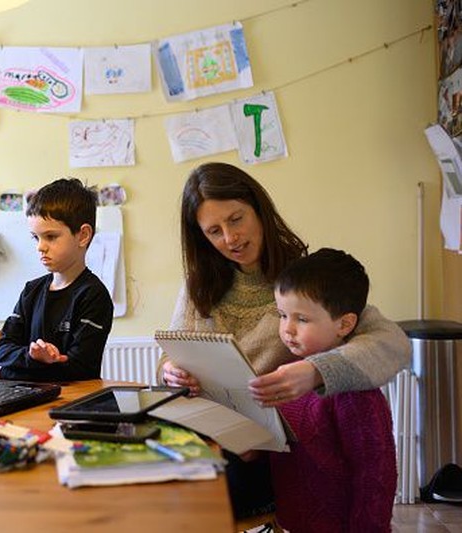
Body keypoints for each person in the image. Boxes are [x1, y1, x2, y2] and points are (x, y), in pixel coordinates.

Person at [157, 162, 409, 518]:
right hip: (212, 433)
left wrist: (315, 371)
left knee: (184, 504)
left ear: (259, 210)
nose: (230, 238)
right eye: (214, 231)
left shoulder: (303, 280)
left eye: (236, 219)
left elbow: (392, 343)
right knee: (142, 479)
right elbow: (171, 355)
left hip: (274, 456)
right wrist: (170, 371)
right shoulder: (199, 287)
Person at [271, 248, 396, 531]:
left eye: (301, 319)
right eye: (282, 315)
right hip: (295, 519)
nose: (287, 329)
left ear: (344, 324)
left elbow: (376, 474)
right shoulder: (292, 373)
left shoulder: (356, 392)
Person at [0, 178, 114, 382]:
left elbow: (77, 370)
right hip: (28, 398)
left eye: (50, 237)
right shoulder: (31, 291)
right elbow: (1, 348)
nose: (40, 247)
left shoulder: (94, 295)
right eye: (36, 237)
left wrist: (5, 372)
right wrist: (32, 358)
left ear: (83, 235)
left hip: (74, 403)